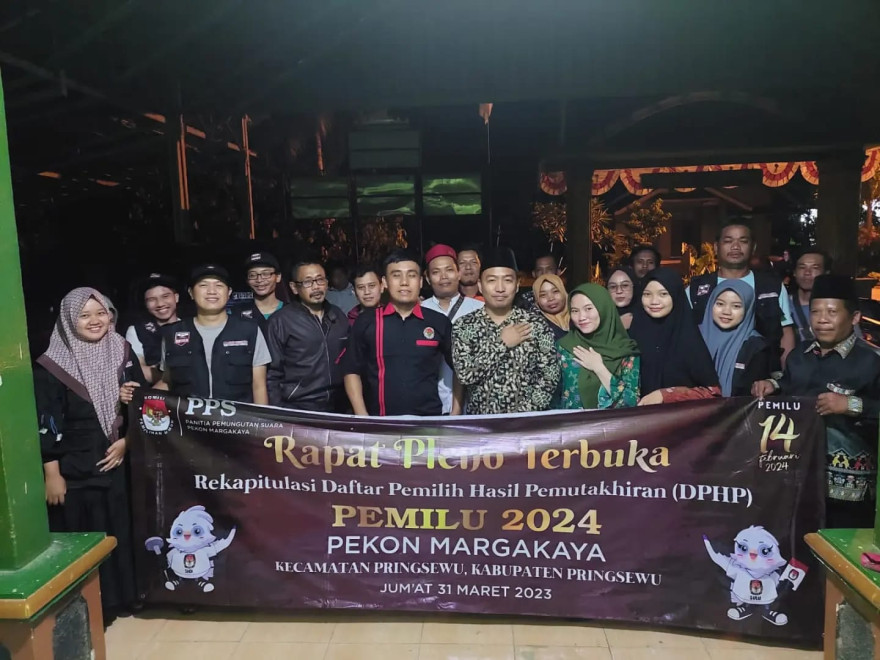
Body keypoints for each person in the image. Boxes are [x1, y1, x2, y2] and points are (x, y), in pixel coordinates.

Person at [35, 288, 147, 622]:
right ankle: (96, 608)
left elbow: (144, 405)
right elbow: (45, 422)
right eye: (84, 315)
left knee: (120, 528)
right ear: (69, 321)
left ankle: (127, 597)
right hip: (76, 469)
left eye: (101, 313)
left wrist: (127, 440)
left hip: (118, 462)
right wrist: (52, 474)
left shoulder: (122, 351)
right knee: (88, 533)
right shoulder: (52, 366)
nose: (95, 321)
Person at [753, 275, 880, 529]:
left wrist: (850, 405)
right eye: (815, 312)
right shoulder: (799, 356)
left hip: (848, 492)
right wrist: (772, 386)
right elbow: (788, 386)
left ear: (854, 317)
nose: (822, 319)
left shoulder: (871, 361)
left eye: (832, 312)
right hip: (799, 480)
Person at [343, 249, 453, 416]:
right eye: (396, 275)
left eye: (411, 275)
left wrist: (456, 410)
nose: (404, 282)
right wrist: (362, 416)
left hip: (429, 421)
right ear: (385, 282)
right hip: (381, 422)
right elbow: (351, 371)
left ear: (421, 282)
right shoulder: (366, 322)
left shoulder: (438, 322)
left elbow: (460, 368)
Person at [453, 247, 560, 414]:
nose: (500, 288)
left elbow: (550, 376)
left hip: (527, 423)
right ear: (480, 285)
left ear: (517, 285)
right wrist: (501, 343)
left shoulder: (535, 324)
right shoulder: (464, 326)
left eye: (508, 280)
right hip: (482, 424)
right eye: (492, 280)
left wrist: (523, 414)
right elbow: (464, 375)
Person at [688, 219, 796, 368]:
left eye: (743, 241)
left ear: (753, 247)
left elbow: (785, 332)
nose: (735, 247)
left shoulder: (771, 287)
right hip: (706, 373)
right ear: (716, 247)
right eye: (728, 241)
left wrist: (785, 375)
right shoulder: (696, 289)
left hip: (759, 375)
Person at [157, 265, 270, 404]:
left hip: (237, 417)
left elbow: (259, 386)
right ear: (191, 293)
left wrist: (262, 418)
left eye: (219, 285)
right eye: (203, 285)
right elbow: (167, 382)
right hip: (188, 417)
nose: (211, 291)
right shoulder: (172, 334)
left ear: (229, 292)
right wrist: (137, 395)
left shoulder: (250, 330)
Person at [266, 260, 349, 411]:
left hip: (339, 406)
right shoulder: (281, 321)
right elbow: (272, 374)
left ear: (327, 283)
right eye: (308, 282)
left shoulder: (338, 316)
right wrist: (279, 412)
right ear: (294, 287)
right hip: (299, 407)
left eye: (320, 280)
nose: (316, 287)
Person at [629, 268, 720, 404]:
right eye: (647, 294)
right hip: (638, 416)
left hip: (679, 417)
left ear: (675, 295)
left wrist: (667, 395)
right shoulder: (633, 336)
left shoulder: (688, 340)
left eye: (663, 294)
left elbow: (714, 393)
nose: (654, 301)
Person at [421, 244, 484, 414]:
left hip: (472, 406)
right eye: (436, 272)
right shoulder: (419, 311)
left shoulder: (480, 309)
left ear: (458, 273)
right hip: (430, 404)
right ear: (427, 278)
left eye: (449, 270)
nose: (443, 277)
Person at [556, 284, 640, 410]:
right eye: (575, 311)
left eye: (588, 309)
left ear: (603, 308)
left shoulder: (626, 350)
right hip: (572, 421)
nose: (581, 317)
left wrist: (599, 368)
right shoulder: (565, 347)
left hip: (613, 422)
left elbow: (631, 402)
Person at [698, 279, 774, 397]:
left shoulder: (756, 347)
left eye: (736, 306)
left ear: (748, 309)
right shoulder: (693, 337)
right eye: (720, 304)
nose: (726, 311)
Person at [125, 273, 180, 383]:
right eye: (151, 299)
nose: (160, 304)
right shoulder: (136, 331)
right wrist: (179, 376)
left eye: (165, 296)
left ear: (176, 297)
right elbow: (138, 369)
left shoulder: (190, 327)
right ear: (146, 304)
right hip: (155, 392)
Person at [789, 249, 832, 342]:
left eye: (815, 268)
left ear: (826, 273)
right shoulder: (782, 305)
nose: (807, 272)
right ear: (794, 272)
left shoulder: (837, 306)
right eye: (802, 267)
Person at [238, 252, 285, 328]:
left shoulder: (293, 313)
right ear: (247, 280)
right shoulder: (236, 314)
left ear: (278, 277)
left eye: (266, 274)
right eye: (252, 275)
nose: (259, 280)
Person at [532, 273, 570, 340]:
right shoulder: (535, 325)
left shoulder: (579, 317)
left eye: (555, 291)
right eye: (543, 295)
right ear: (537, 300)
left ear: (564, 292)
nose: (551, 298)